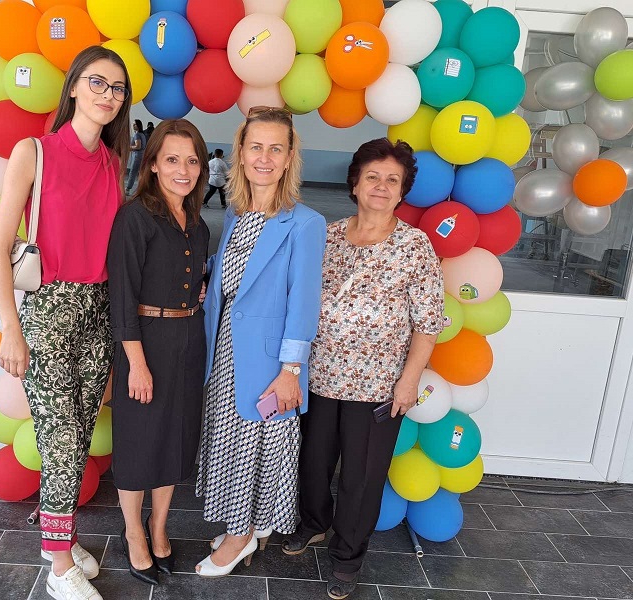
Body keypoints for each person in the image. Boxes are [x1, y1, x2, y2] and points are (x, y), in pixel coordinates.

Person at [0, 46, 132, 600]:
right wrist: (12, 328)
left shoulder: (113, 164)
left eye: (117, 88)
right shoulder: (35, 151)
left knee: (78, 432)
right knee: (62, 437)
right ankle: (58, 564)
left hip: (98, 309)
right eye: (98, 82)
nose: (108, 95)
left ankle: (61, 544)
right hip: (49, 309)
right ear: (73, 86)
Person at [281, 138, 444, 600]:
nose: (381, 186)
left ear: (402, 191)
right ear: (355, 183)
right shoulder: (326, 235)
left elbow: (428, 323)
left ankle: (348, 557)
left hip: (377, 386)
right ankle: (313, 523)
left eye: (393, 180)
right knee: (311, 463)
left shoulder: (415, 246)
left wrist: (409, 381)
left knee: (362, 477)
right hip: (318, 377)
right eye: (372, 176)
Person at [195, 106, 327, 577]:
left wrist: (290, 371)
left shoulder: (305, 223)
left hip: (269, 362)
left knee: (255, 447)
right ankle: (243, 526)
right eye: (256, 147)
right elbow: (235, 277)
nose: (264, 158)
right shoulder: (236, 213)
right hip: (225, 350)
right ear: (241, 153)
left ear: (290, 157)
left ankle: (240, 536)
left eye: (276, 148)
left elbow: (303, 302)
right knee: (231, 443)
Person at [107, 119, 210, 586]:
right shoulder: (135, 218)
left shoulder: (197, 223)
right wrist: (136, 364)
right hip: (144, 342)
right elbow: (122, 297)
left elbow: (191, 276)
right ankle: (133, 532)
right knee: (138, 443)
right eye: (172, 160)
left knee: (174, 440)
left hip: (188, 340)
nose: (182, 170)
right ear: (152, 164)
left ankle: (159, 526)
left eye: (191, 160)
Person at [126, 119, 146, 195]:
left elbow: (138, 146)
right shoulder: (142, 134)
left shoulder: (137, 135)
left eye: (135, 124)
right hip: (142, 155)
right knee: (141, 173)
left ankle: (128, 189)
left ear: (138, 126)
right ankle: (142, 189)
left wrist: (129, 147)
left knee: (133, 172)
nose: (133, 125)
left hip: (137, 156)